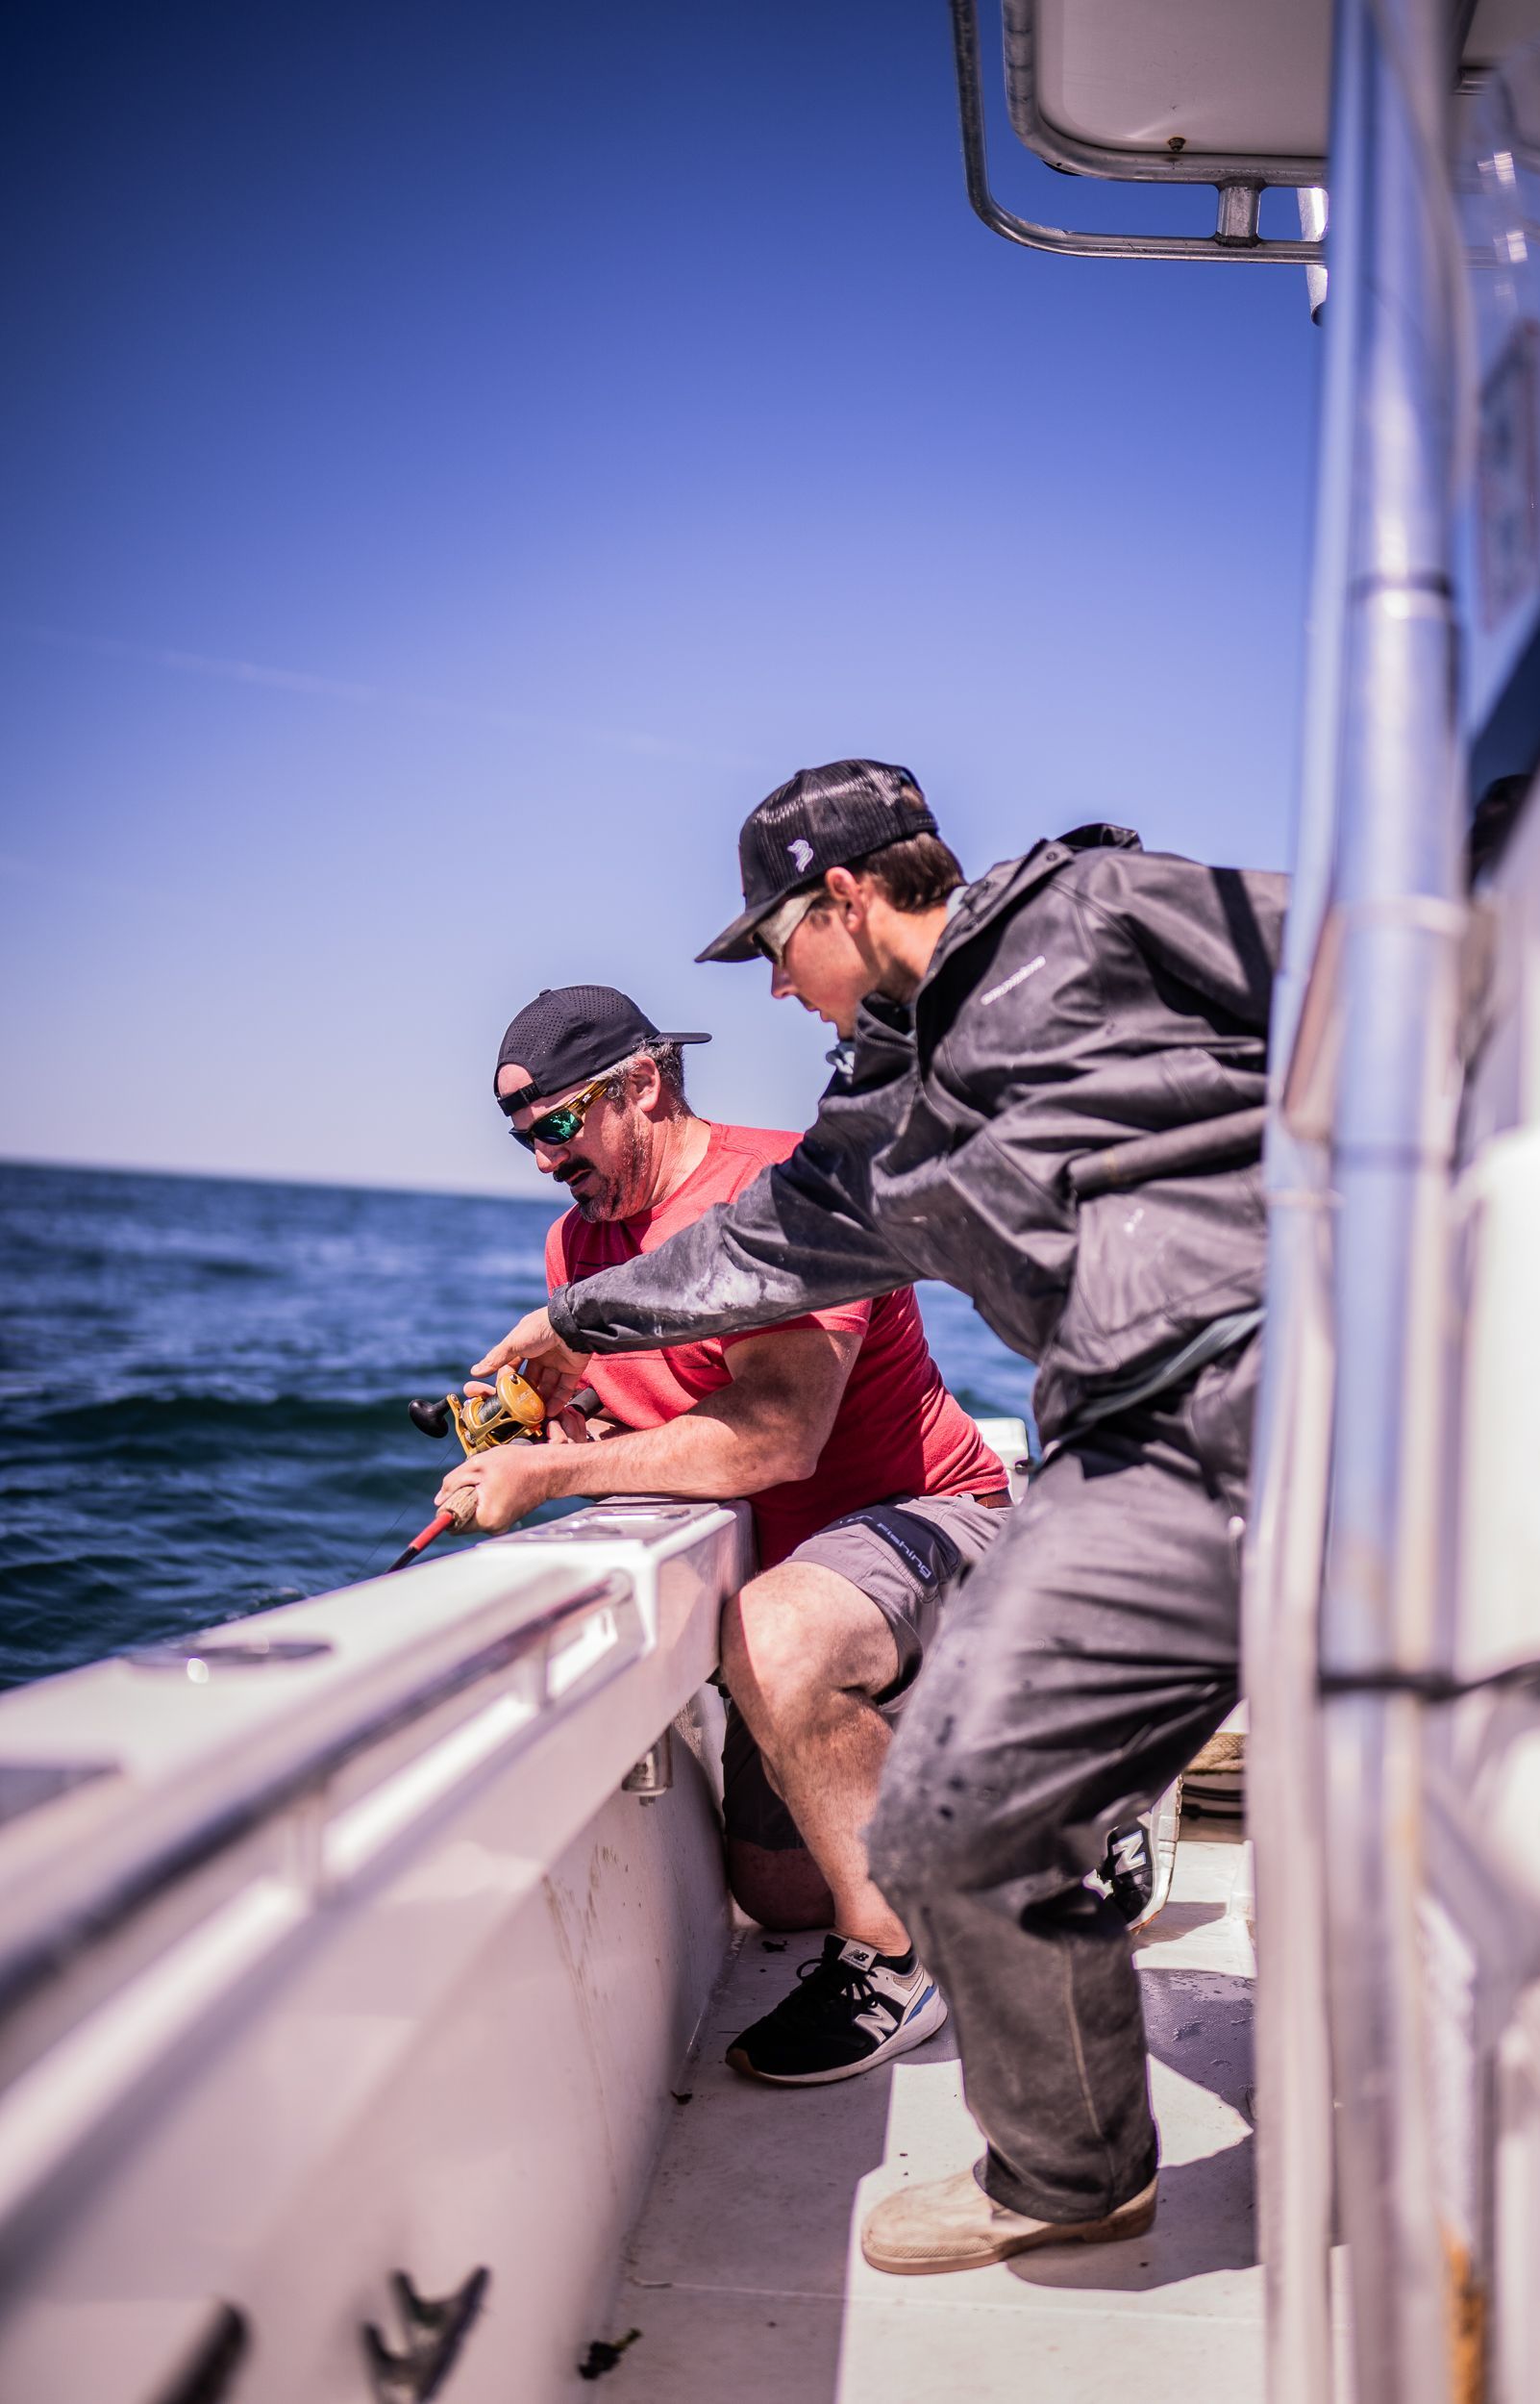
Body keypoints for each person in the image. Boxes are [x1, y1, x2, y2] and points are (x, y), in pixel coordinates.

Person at [467, 761, 1285, 2276]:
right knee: (950, 1816)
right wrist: (575, 1322)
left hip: (1332, 1391)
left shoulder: (1101, 910)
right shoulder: (876, 1114)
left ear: (841, 897)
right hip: (1131, 1459)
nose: (776, 994)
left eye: (775, 950)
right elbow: (754, 1253)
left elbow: (1400, 972)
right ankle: (1070, 2172)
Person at [435, 980, 1010, 2087]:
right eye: (524, 1138)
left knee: (773, 1634)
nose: (544, 1160)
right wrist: (571, 1419)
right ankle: (995, 1815)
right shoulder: (577, 1245)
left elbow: (776, 1436)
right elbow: (674, 1401)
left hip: (938, 1522)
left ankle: (905, 1962)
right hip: (812, 1564)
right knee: (779, 1893)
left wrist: (551, 1471)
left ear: (640, 1085)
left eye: (558, 1125)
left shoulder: (781, 1190)